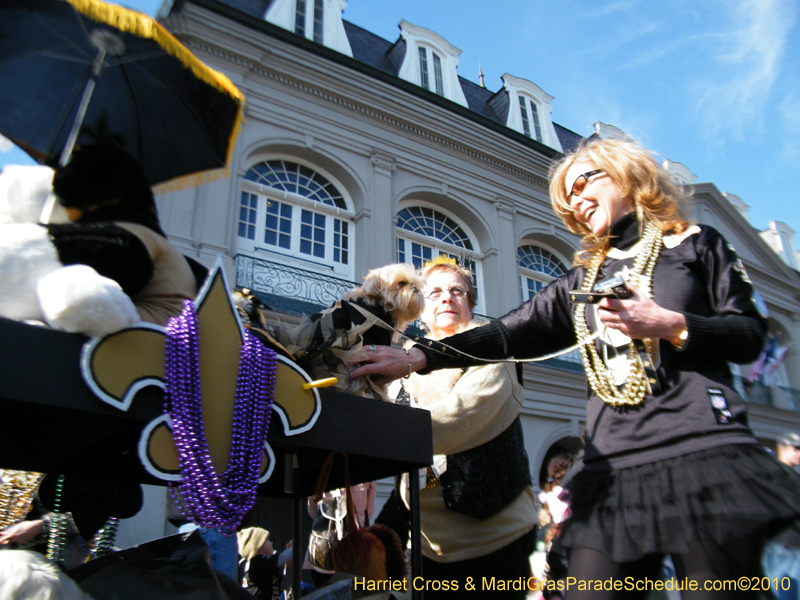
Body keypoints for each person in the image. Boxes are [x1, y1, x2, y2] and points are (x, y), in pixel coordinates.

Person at [353, 137, 800, 599]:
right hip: (615, 470)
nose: (576, 200)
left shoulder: (695, 245)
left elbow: (750, 333)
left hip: (703, 452)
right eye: (568, 197)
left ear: (626, 173)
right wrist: (414, 358)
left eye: (584, 181)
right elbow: (508, 333)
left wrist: (672, 324)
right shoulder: (581, 282)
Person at [389, 257, 537, 599]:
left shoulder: (491, 352)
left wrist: (379, 433)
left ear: (470, 303)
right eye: (435, 292)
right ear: (420, 308)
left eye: (458, 291)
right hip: (426, 545)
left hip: (496, 539)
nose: (447, 298)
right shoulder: (402, 360)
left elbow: (460, 417)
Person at [237, 527, 292, 600]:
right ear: (257, 545)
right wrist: (295, 547)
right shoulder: (256, 563)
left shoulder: (265, 568)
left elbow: (285, 585)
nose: (271, 542)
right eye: (267, 540)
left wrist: (289, 565)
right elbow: (282, 558)